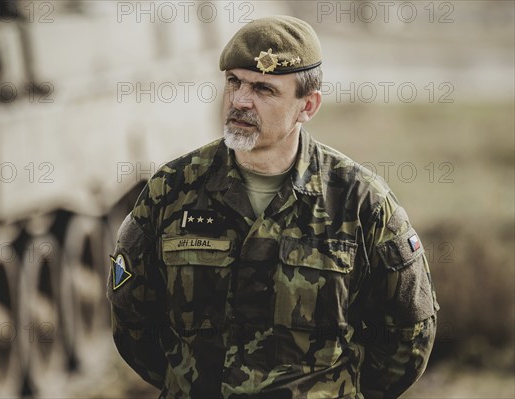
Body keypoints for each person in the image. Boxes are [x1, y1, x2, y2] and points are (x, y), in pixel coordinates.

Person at [107, 15, 439, 398]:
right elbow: (132, 318)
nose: (240, 100)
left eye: (264, 89)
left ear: (308, 105)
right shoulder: (172, 189)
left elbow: (408, 337)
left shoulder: (360, 202)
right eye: (234, 82)